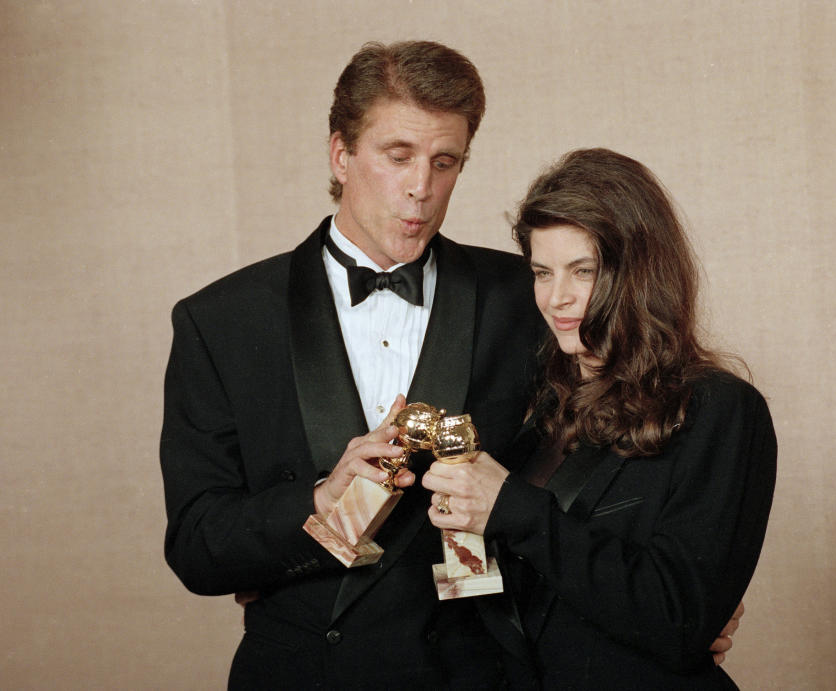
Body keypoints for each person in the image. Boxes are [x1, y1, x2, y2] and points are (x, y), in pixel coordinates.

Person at [160, 40, 544, 689]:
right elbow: (199, 547)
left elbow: (592, 480)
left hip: (478, 673)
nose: (422, 187)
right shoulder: (221, 320)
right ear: (341, 154)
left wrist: (688, 598)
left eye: (444, 161)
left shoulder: (524, 296)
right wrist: (320, 499)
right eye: (399, 156)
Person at [423, 148, 777, 688]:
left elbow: (678, 621)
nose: (557, 298)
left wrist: (515, 509)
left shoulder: (720, 410)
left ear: (638, 273)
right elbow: (489, 599)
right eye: (542, 272)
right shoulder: (536, 409)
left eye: (583, 271)